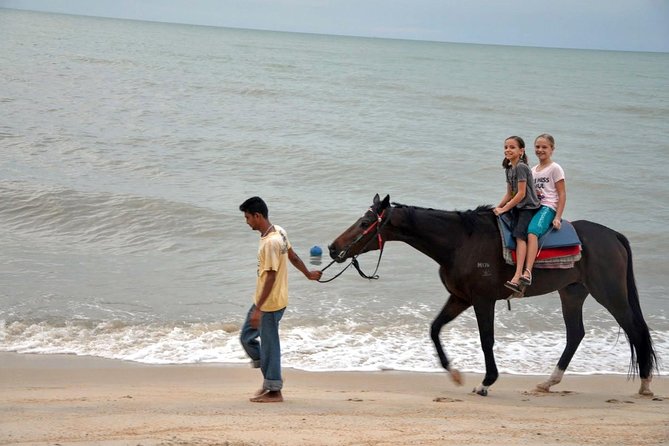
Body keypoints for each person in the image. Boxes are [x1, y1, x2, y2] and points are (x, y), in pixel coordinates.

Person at [239, 196, 322, 403]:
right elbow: (292, 256)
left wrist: (259, 309)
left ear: (258, 216)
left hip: (269, 303)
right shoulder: (279, 231)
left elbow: (271, 276)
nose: (247, 222)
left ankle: (274, 389)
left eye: (248, 217)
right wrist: (308, 274)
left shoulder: (271, 242)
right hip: (266, 300)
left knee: (270, 345)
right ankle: (271, 378)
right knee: (247, 338)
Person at [493, 136, 540, 293]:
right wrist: (497, 207)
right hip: (517, 206)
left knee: (520, 236)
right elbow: (509, 194)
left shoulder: (521, 167)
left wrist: (505, 208)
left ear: (521, 151)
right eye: (506, 147)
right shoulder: (509, 168)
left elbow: (520, 194)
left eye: (512, 147)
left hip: (528, 207)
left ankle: (518, 273)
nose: (507, 150)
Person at [521, 134, 566, 285]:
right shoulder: (533, 170)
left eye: (544, 147)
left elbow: (562, 194)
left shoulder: (555, 168)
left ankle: (527, 272)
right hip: (535, 206)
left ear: (552, 149)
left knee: (533, 232)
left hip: (548, 207)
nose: (540, 150)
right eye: (537, 147)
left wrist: (558, 217)